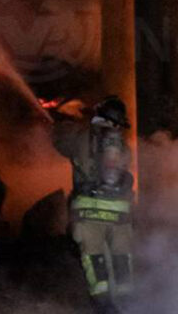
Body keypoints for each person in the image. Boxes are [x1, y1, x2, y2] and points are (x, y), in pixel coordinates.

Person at [52, 96, 135, 314]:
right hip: (119, 217)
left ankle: (105, 308)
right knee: (122, 262)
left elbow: (58, 140)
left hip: (88, 214)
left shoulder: (80, 136)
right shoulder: (124, 148)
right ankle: (128, 306)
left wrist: (62, 121)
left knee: (95, 262)